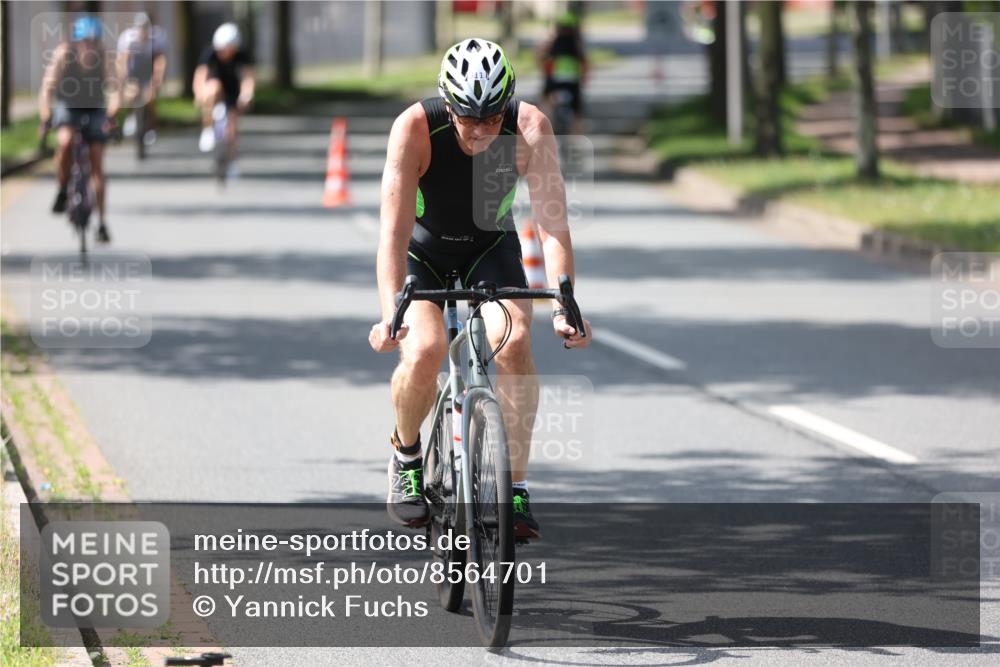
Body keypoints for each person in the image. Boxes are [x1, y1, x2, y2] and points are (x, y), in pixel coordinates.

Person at [368, 38, 592, 539]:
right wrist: (391, 315)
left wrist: (565, 299)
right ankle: (406, 457)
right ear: (449, 105)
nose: (482, 131)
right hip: (421, 253)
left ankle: (515, 488)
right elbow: (393, 233)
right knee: (424, 350)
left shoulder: (530, 127)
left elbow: (551, 224)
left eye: (492, 118)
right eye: (469, 119)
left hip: (489, 246)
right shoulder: (414, 128)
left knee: (513, 346)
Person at [39, 15, 120, 244]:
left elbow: (115, 88)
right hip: (68, 105)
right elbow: (47, 89)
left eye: (93, 42)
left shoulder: (104, 56)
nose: (89, 47)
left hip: (94, 107)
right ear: (76, 42)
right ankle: (63, 187)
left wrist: (112, 115)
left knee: (97, 161)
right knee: (65, 142)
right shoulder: (64, 55)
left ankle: (102, 223)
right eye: (84, 42)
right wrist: (46, 116)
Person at [192, 23, 255, 168]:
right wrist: (199, 93)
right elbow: (200, 76)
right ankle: (208, 128)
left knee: (232, 129)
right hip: (215, 87)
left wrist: (247, 94)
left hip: (232, 90)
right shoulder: (210, 53)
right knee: (213, 87)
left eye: (227, 49)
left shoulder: (242, 55)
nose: (223, 52)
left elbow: (248, 78)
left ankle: (232, 161)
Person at [116, 12, 168, 145]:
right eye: (140, 27)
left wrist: (158, 78)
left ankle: (151, 126)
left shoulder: (157, 37)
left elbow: (160, 60)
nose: (143, 31)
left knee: (150, 98)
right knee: (131, 94)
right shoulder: (128, 38)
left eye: (145, 27)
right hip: (134, 71)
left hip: (148, 71)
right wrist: (124, 78)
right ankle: (131, 115)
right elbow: (123, 60)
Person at [537, 11, 588, 135]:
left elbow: (540, 57)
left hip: (554, 81)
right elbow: (585, 64)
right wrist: (584, 78)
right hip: (572, 82)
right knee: (577, 113)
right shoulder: (576, 45)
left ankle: (541, 131)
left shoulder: (553, 44)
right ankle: (577, 136)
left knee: (544, 103)